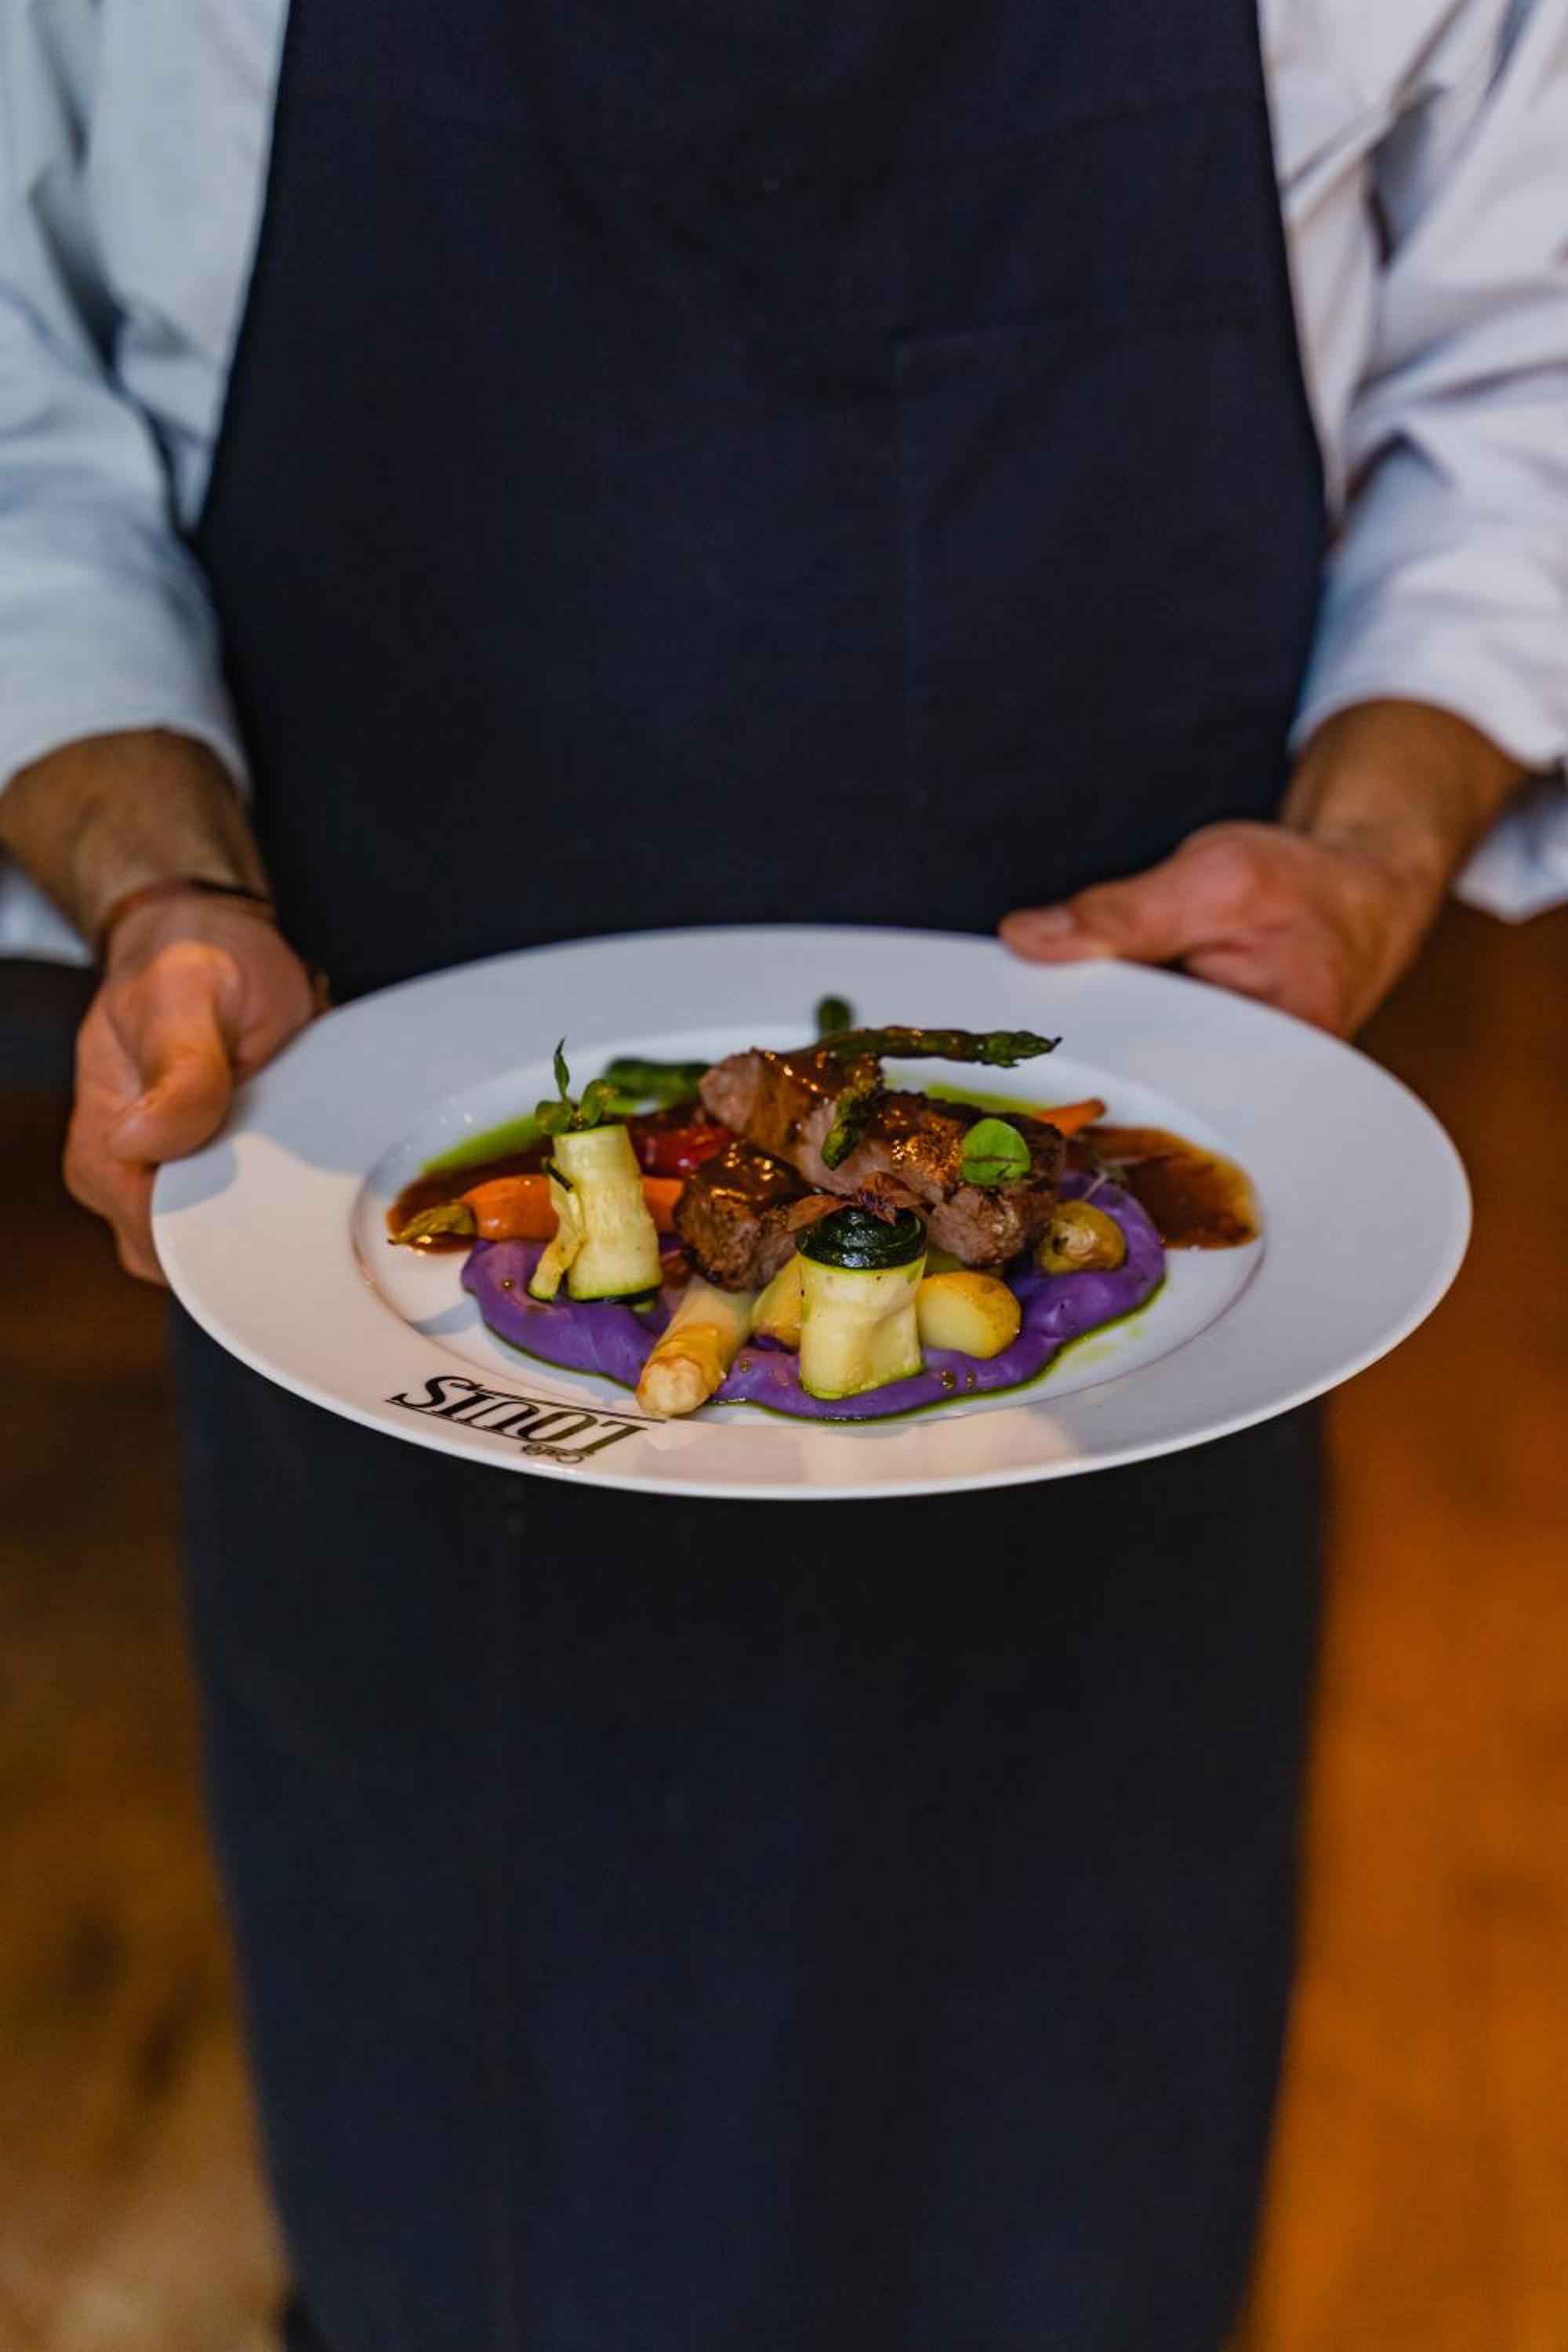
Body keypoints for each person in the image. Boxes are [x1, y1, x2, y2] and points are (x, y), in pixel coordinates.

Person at [2, 4, 1564, 2347]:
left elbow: (1535, 375)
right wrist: (160, 885)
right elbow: (21, 412)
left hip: (1144, 1327)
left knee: (1071, 2188)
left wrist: (1369, 841)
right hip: (382, 1283)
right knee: (478, 2208)